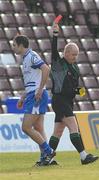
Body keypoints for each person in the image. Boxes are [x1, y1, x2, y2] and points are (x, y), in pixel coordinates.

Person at [48, 23, 99, 165]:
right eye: (73, 54)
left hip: (67, 101)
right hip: (60, 100)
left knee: (57, 132)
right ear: (66, 53)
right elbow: (53, 51)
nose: (75, 57)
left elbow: (72, 87)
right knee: (73, 126)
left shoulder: (75, 67)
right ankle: (84, 156)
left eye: (77, 54)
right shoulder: (58, 64)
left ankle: (48, 157)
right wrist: (55, 35)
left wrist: (78, 91)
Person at [12, 34, 55, 166]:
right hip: (32, 94)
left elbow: (46, 68)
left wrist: (40, 89)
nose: (13, 47)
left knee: (25, 127)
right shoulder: (25, 59)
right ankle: (46, 158)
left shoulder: (31, 56)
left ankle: (48, 151)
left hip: (37, 96)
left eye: (14, 45)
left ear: (21, 45)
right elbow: (32, 82)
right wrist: (23, 97)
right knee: (38, 127)